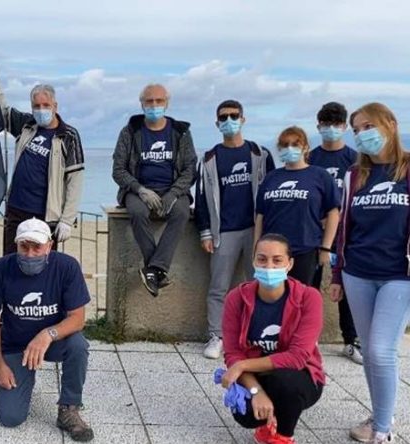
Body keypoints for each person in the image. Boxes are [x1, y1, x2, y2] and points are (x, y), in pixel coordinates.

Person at [330, 102, 410, 444]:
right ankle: (379, 416)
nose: (362, 134)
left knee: (380, 350)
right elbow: (345, 226)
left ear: (389, 124)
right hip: (357, 272)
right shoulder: (354, 175)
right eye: (357, 129)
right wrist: (337, 275)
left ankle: (383, 432)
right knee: (370, 352)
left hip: (399, 274)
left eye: (367, 126)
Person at [0, 218, 94, 442]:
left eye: (37, 247)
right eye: (24, 246)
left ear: (49, 246)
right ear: (17, 245)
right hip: (16, 343)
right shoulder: (1, 268)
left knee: (78, 345)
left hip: (54, 342)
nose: (30, 254)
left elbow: (78, 319)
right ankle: (22, 379)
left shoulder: (67, 266)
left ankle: (69, 408)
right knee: (10, 418)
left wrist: (46, 334)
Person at [222, 233, 325, 444]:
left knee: (285, 383)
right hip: (258, 377)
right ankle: (266, 423)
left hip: (299, 377)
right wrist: (255, 390)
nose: (269, 266)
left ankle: (283, 436)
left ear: (290, 264)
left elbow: (297, 358)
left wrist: (241, 365)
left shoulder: (309, 297)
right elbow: (233, 353)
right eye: (262, 259)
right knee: (246, 414)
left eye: (277, 260)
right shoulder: (236, 298)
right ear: (253, 261)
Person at [195, 99, 276, 359]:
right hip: (224, 231)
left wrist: (271, 233)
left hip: (256, 230)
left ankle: (258, 335)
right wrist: (205, 231)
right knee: (219, 287)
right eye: (223, 117)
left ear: (243, 118)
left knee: (260, 285)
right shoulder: (210, 158)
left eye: (233, 115)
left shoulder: (260, 154)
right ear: (217, 123)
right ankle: (216, 336)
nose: (229, 120)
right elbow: (202, 198)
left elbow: (273, 191)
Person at [112, 84, 197, 297]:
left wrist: (174, 193)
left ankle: (153, 269)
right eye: (149, 101)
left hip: (172, 189)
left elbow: (190, 169)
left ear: (166, 103)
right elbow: (118, 170)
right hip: (138, 190)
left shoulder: (181, 132)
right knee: (138, 212)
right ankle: (157, 269)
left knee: (181, 212)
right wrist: (139, 189)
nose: (154, 105)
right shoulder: (130, 132)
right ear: (142, 104)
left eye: (159, 101)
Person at [0, 82, 84, 254]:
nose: (41, 110)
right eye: (36, 106)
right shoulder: (26, 124)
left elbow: (75, 180)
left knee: (42, 265)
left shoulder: (68, 135)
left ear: (55, 106)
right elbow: (3, 113)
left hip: (46, 216)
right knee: (11, 261)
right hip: (16, 210)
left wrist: (67, 220)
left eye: (46, 105)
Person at [309, 102, 361, 365]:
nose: (331, 129)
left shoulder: (355, 159)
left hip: (348, 235)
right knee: (310, 287)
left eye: (336, 124)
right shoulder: (311, 158)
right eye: (326, 124)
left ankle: (351, 341)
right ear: (318, 126)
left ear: (344, 127)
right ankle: (308, 339)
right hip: (314, 234)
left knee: (348, 287)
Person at [255, 126, 340, 285]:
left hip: (306, 250)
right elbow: (260, 215)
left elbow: (333, 213)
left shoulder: (320, 176)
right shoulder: (271, 177)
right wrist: (256, 248)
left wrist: (326, 248)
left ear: (305, 147)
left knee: (304, 299)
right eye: (285, 145)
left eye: (295, 144)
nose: (290, 148)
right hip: (273, 253)